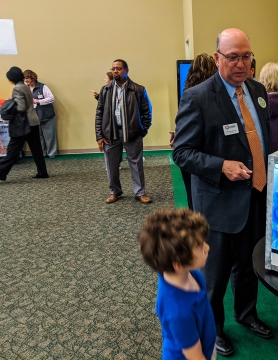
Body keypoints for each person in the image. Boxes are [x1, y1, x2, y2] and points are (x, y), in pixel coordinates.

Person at [173, 28, 273, 357]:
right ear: (217, 58)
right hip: (218, 206)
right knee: (214, 278)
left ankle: (246, 315)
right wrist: (221, 165)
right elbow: (182, 152)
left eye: (246, 56)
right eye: (233, 57)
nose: (241, 63)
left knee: (249, 266)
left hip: (256, 198)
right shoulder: (198, 97)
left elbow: (261, 140)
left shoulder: (257, 91)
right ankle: (214, 329)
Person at [137, 208, 217, 360]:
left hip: (205, 344)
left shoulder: (188, 272)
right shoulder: (178, 312)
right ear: (178, 264)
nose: (207, 247)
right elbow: (195, 357)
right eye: (200, 247)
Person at [95, 59, 152, 204]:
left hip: (132, 133)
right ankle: (114, 191)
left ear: (126, 70)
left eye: (119, 68)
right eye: (113, 69)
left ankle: (140, 192)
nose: (115, 71)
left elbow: (147, 112)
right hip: (111, 134)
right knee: (111, 165)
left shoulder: (138, 89)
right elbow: (99, 113)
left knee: (136, 163)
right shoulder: (106, 90)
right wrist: (99, 135)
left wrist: (142, 130)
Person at [171, 53, 217, 210]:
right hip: (208, 155)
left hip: (189, 156)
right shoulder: (215, 96)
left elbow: (184, 124)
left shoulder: (188, 94)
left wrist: (178, 135)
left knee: (192, 196)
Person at [0, 66, 48, 181]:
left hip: (23, 124)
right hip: (33, 121)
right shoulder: (25, 87)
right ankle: (42, 172)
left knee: (12, 151)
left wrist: (10, 104)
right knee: (36, 150)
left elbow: (21, 107)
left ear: (11, 79)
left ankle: (1, 172)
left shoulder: (17, 88)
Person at [23, 70, 58, 158]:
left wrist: (38, 101)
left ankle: (51, 153)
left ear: (32, 77)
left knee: (49, 136)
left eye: (27, 78)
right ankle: (42, 153)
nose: (26, 80)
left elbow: (51, 98)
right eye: (24, 78)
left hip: (46, 116)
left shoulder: (43, 87)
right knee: (39, 137)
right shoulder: (26, 88)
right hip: (34, 117)